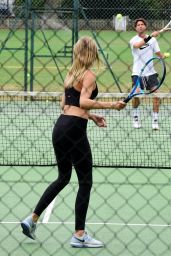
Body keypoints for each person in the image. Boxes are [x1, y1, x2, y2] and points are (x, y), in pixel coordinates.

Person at [21, 36, 126, 248]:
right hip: (75, 130)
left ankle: (32, 219)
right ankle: (79, 234)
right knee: (85, 182)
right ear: (93, 53)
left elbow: (66, 105)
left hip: (60, 128)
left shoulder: (71, 74)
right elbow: (82, 101)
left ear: (77, 52)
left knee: (63, 177)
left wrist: (92, 116)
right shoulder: (88, 75)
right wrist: (111, 105)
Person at [130, 18, 165, 130]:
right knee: (136, 96)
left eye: (142, 24)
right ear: (135, 28)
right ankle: (135, 118)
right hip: (137, 73)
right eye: (138, 25)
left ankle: (155, 121)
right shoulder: (133, 40)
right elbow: (137, 45)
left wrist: (163, 56)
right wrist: (150, 36)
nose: (140, 26)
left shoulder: (153, 41)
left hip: (151, 74)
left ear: (145, 27)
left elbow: (158, 53)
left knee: (157, 96)